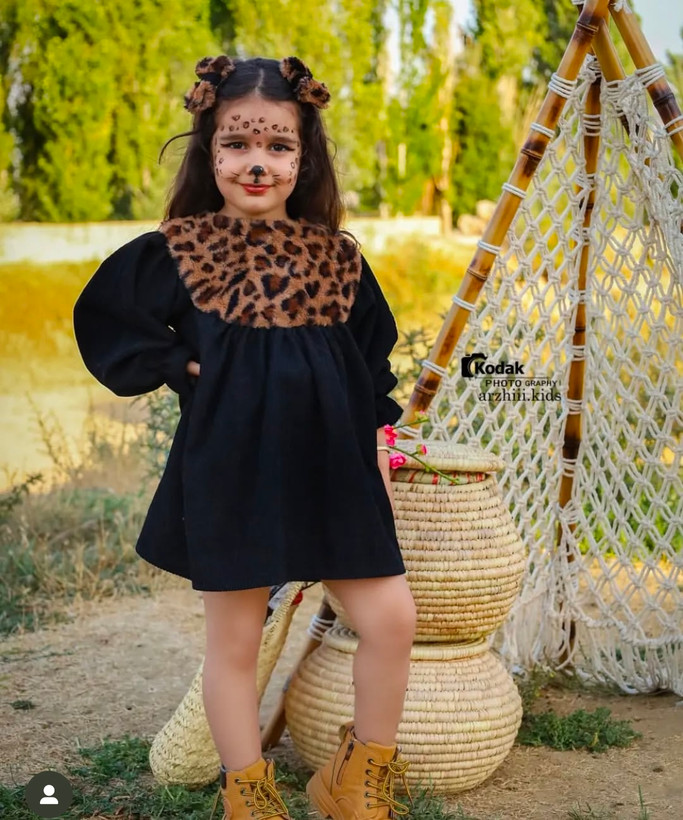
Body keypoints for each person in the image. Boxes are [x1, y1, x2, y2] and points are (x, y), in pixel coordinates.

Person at [73, 55, 416, 820]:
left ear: (304, 157)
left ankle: (356, 780)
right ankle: (247, 791)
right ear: (210, 152)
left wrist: (378, 459)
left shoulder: (338, 259)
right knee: (234, 642)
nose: (257, 163)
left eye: (278, 146)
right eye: (236, 144)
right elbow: (107, 318)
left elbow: (369, 371)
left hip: (335, 473)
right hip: (232, 472)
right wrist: (177, 363)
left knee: (392, 619)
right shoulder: (180, 250)